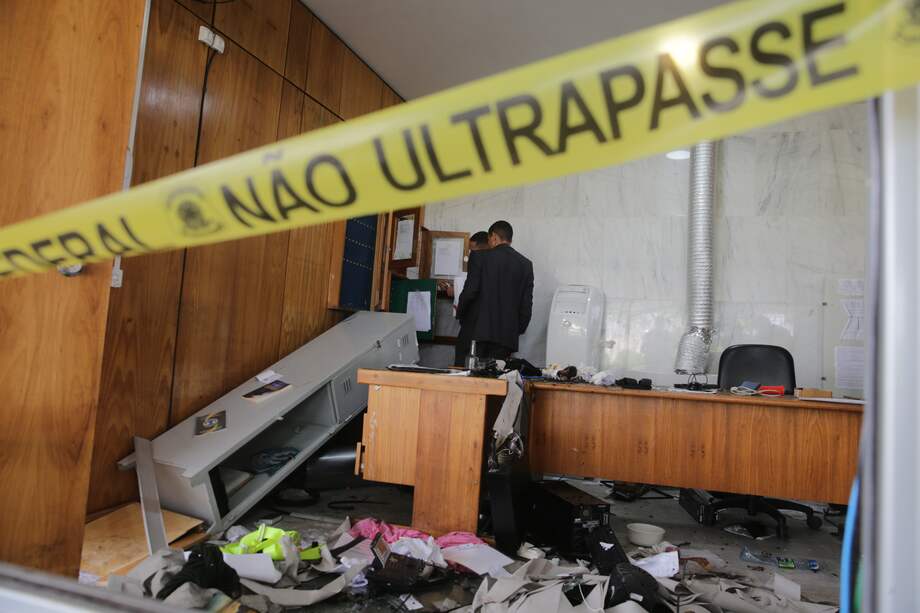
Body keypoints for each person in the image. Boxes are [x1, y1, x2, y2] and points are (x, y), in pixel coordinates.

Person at [456, 220, 534, 362]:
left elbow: (470, 292)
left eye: (489, 239)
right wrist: (514, 330)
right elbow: (526, 307)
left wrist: (460, 315)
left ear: (494, 237)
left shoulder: (479, 257)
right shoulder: (526, 265)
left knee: (466, 379)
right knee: (495, 381)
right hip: (506, 339)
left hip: (476, 333)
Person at [451, 231, 490, 366]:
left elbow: (470, 291)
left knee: (462, 361)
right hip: (494, 330)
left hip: (473, 323)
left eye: (472, 249)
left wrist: (460, 312)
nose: (470, 254)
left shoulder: (477, 258)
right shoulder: (502, 264)